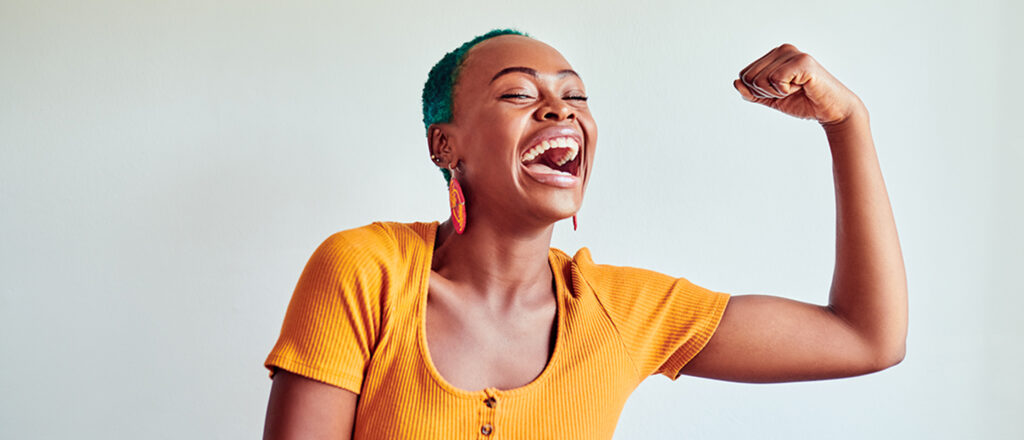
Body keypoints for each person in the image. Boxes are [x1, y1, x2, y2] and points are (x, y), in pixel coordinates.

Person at [262, 29, 907, 439]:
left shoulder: (621, 313)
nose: (559, 109)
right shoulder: (364, 271)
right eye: (517, 94)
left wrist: (847, 123)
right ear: (444, 145)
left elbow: (866, 338)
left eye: (576, 96)